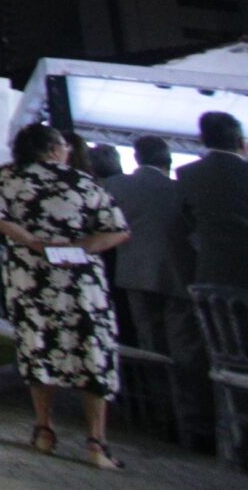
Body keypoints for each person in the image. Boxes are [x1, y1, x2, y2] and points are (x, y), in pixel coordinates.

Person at [0, 120, 131, 469]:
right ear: (53, 149)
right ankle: (96, 441)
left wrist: (33, 242)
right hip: (80, 279)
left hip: (29, 276)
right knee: (92, 349)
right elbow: (118, 229)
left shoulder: (6, 177)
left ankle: (44, 428)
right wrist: (79, 248)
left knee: (37, 345)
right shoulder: (82, 181)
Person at [106, 135, 213, 446]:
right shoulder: (179, 188)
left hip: (135, 277)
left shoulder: (117, 186)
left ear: (137, 158)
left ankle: (162, 418)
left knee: (151, 349)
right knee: (186, 353)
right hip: (179, 277)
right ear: (168, 160)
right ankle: (194, 424)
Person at [180, 111, 248, 287]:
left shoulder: (187, 174)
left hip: (210, 270)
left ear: (201, 138)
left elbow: (186, 220)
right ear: (240, 141)